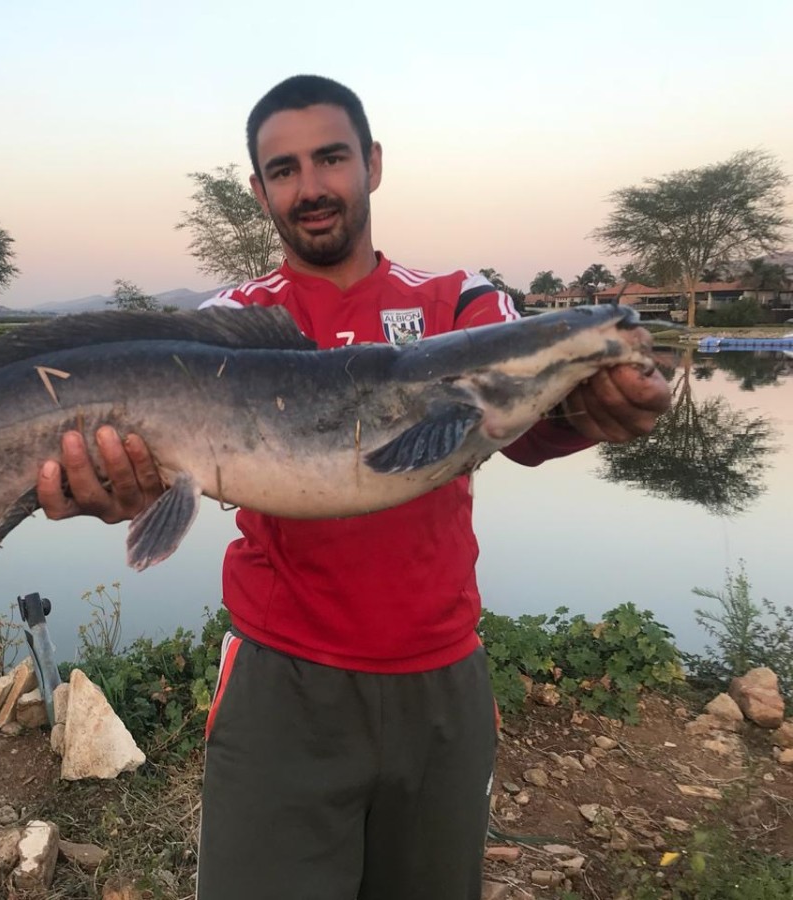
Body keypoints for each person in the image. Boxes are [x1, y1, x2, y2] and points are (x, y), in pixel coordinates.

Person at [37, 75, 671, 900]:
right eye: (286, 169)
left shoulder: (460, 301)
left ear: (371, 163)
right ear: (259, 189)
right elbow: (144, 465)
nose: (311, 187)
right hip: (282, 687)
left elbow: (534, 427)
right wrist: (120, 484)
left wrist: (598, 405)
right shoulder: (229, 326)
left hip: (443, 683)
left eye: (330, 158)